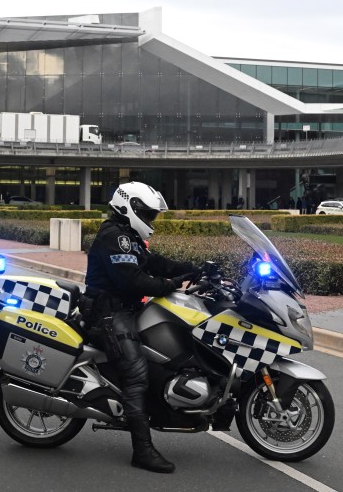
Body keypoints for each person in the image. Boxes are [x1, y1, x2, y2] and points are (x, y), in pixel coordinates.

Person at [82, 181, 199, 474]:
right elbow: (132, 280)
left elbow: (152, 262)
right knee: (136, 373)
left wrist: (191, 268)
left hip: (125, 309)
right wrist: (169, 285)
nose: (150, 220)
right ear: (129, 208)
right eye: (146, 213)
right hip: (109, 313)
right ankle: (142, 451)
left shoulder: (127, 236)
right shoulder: (114, 237)